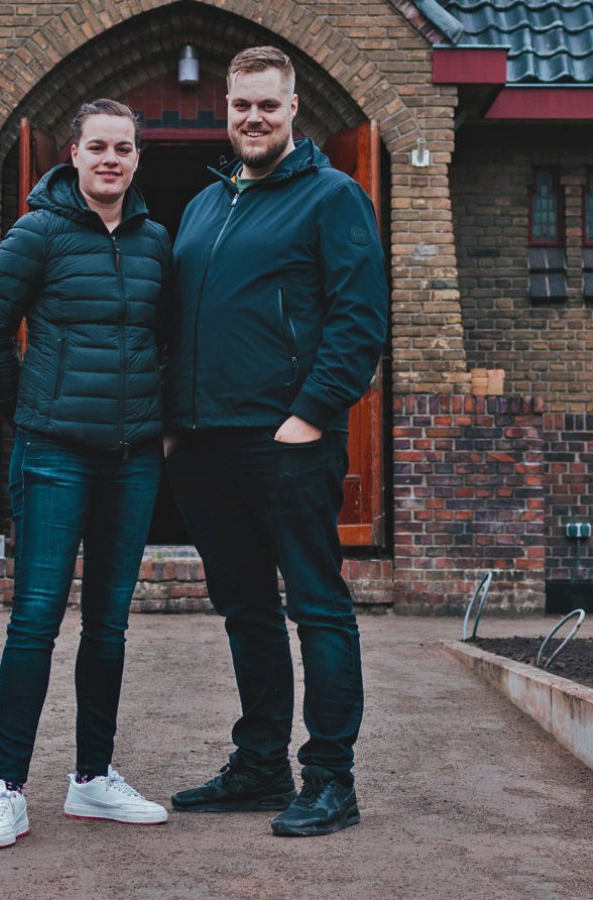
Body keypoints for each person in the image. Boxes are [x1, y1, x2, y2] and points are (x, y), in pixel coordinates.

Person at [163, 46, 389, 837]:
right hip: (204, 446)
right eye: (240, 106)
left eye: (267, 105)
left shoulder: (333, 197)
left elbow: (361, 319)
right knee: (246, 611)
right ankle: (260, 765)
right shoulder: (205, 205)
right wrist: (171, 422)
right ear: (224, 110)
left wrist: (311, 415)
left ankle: (330, 778)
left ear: (293, 109)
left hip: (288, 441)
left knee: (318, 608)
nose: (252, 118)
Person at [0, 98, 173, 849]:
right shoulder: (37, 231)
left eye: (123, 148)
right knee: (36, 618)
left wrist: (160, 420)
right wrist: (33, 409)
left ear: (136, 158)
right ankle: (7, 790)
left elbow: (167, 339)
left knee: (109, 623)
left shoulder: (155, 242)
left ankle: (93, 780)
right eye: (97, 148)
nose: (110, 160)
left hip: (133, 458)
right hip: (53, 453)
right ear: (74, 155)